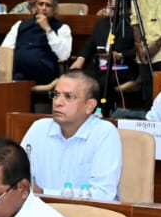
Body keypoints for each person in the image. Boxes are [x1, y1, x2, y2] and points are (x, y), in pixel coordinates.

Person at [21, 70, 123, 200]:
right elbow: (18, 176)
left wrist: (44, 192)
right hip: (41, 210)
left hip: (88, 212)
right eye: (56, 95)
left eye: (68, 97)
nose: (58, 102)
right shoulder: (39, 128)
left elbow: (103, 194)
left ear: (89, 106)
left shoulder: (104, 133)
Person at [0, 0, 72, 85]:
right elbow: (5, 50)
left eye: (48, 5)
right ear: (35, 7)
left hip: (43, 73)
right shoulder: (20, 25)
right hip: (17, 71)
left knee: (17, 78)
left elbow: (64, 55)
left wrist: (48, 29)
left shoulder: (62, 28)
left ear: (55, 9)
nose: (43, 8)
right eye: (40, 4)